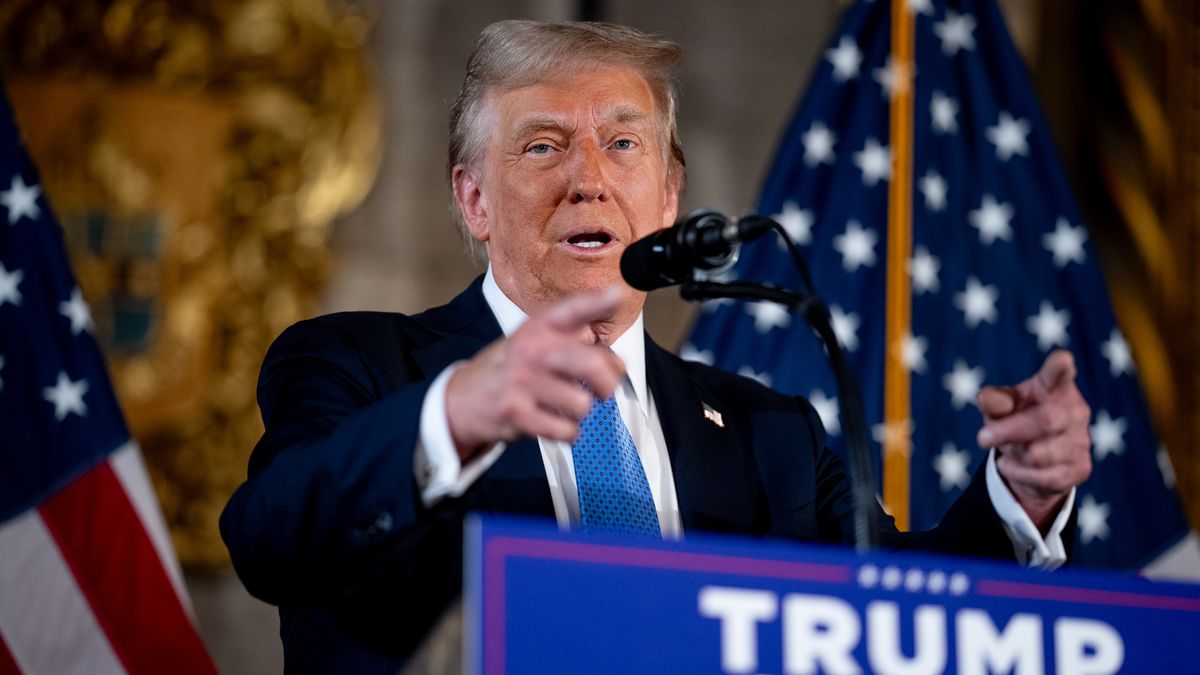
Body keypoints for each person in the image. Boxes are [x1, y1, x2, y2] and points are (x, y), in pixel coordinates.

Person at [220, 19, 1092, 671]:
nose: (588, 178)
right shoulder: (358, 365)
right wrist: (452, 416)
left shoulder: (771, 433)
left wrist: (1021, 495)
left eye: (623, 143)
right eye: (542, 145)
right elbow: (271, 536)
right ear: (474, 200)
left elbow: (897, 616)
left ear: (669, 195)